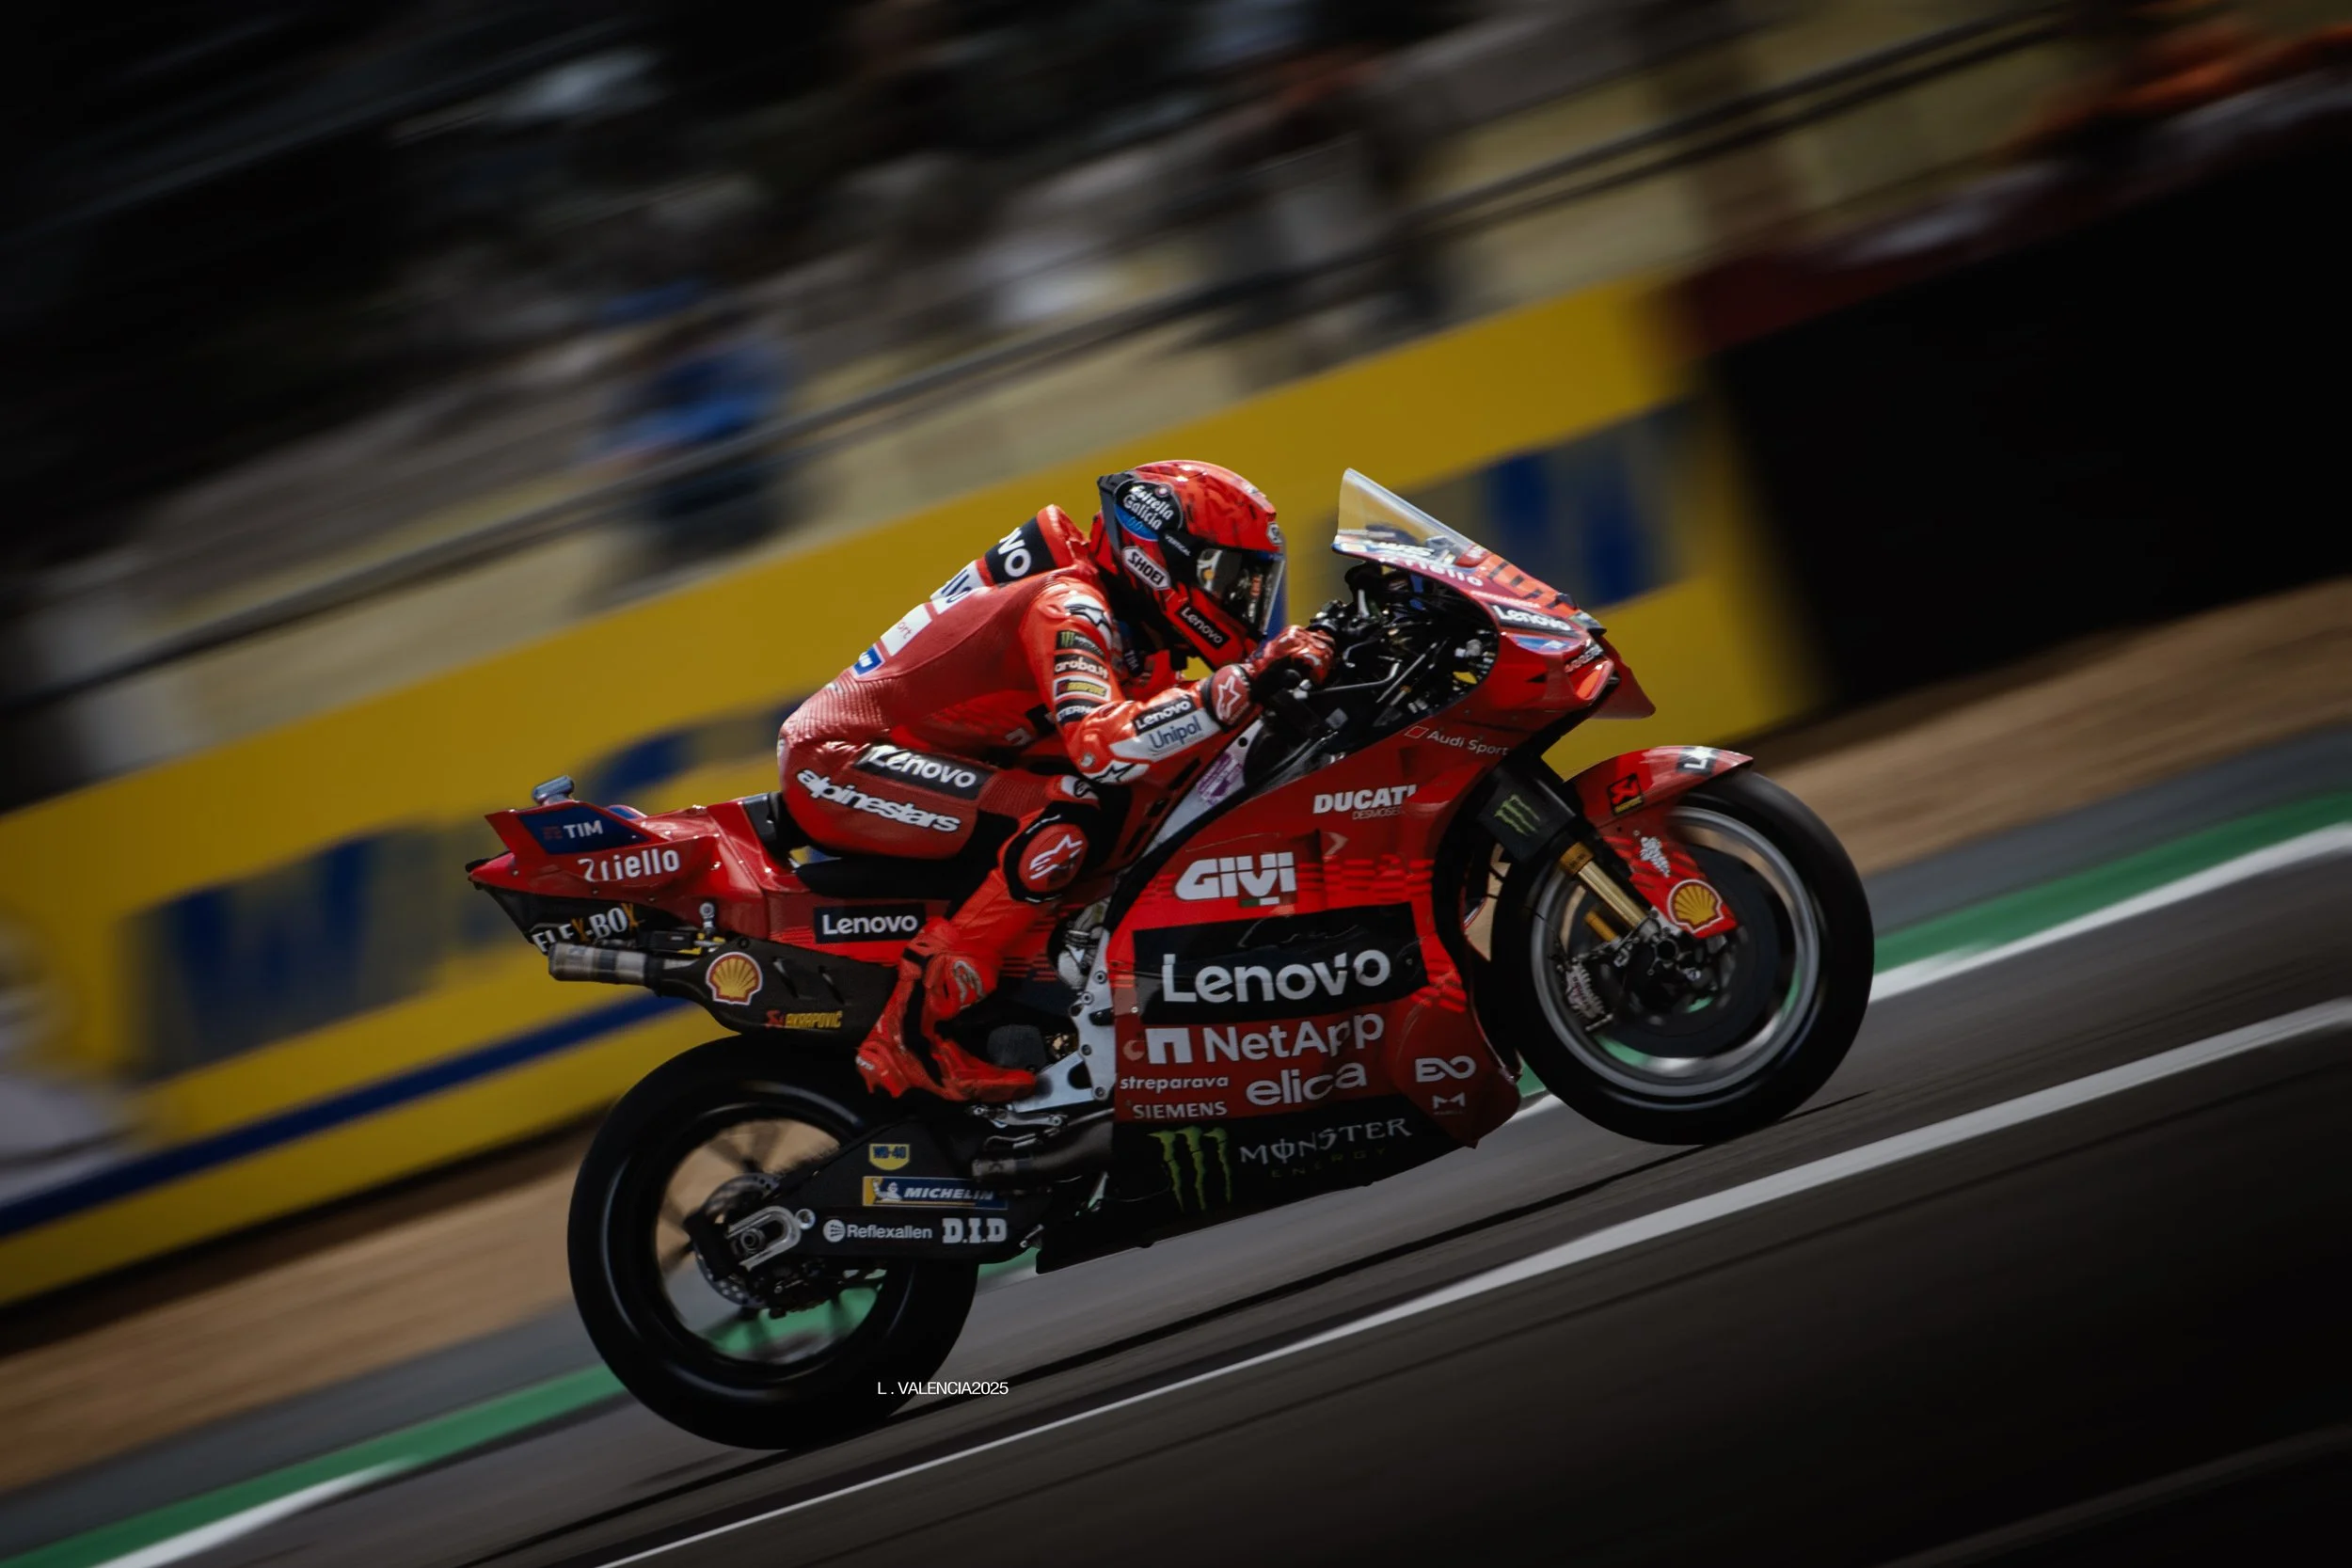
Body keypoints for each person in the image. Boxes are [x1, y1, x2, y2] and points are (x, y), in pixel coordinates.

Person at [778, 460, 1334, 1102]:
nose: (1244, 602)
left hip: (922, 755)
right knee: (1072, 809)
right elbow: (1102, 748)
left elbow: (1160, 736)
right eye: (1229, 578)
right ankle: (911, 1034)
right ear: (1162, 557)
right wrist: (1239, 683)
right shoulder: (1071, 602)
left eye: (1254, 585)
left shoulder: (1136, 634)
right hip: (836, 760)